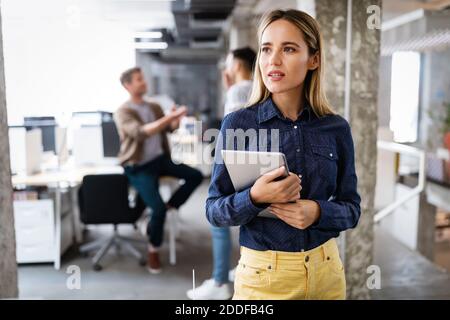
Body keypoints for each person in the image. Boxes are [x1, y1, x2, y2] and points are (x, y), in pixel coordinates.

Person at [206, 9, 361, 300]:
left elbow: (352, 209)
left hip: (326, 274)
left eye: (288, 49)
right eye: (266, 49)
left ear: (313, 59)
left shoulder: (336, 128)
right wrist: (254, 197)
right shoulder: (238, 124)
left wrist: (317, 212)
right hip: (264, 279)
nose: (273, 61)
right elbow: (214, 210)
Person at [114, 67, 203, 274]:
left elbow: (166, 129)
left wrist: (175, 120)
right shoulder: (123, 111)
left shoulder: (153, 106)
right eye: (138, 80)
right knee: (157, 209)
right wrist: (167, 119)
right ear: (127, 86)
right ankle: (153, 250)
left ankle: (172, 205)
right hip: (137, 166)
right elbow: (140, 133)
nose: (143, 82)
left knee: (195, 175)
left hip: (159, 159)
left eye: (143, 78)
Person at [187, 47, 256, 300]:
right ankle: (236, 270)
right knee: (247, 219)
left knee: (218, 220)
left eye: (228, 63)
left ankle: (219, 282)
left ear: (237, 65)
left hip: (236, 163)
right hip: (250, 163)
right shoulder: (254, 87)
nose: (225, 69)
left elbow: (234, 129)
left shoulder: (239, 89)